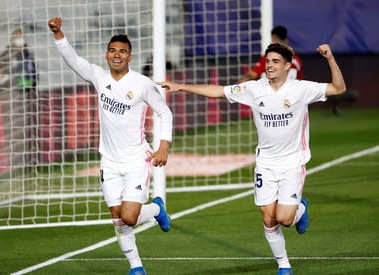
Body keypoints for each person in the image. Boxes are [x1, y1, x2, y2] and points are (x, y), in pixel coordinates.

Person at [158, 43, 346, 275]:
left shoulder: (301, 89)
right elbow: (218, 90)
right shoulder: (253, 89)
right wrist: (180, 86)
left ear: (288, 66)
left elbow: (338, 88)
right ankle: (284, 265)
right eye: (267, 61)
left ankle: (300, 210)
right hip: (265, 164)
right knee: (269, 218)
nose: (269, 65)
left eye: (275, 62)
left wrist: (330, 58)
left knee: (285, 219)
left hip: (292, 163)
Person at [48, 17, 173, 275]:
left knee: (129, 216)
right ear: (107, 54)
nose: (117, 55)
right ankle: (136, 267)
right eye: (113, 50)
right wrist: (59, 34)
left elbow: (165, 113)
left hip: (136, 160)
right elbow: (73, 60)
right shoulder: (99, 76)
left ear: (130, 57)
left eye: (123, 51)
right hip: (109, 161)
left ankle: (157, 208)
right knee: (118, 219)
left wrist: (163, 146)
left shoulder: (142, 84)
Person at [238, 26, 303, 83]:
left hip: (272, 93)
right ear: (286, 40)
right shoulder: (297, 60)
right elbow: (300, 81)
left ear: (273, 39)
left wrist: (234, 88)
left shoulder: (269, 58)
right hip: (292, 95)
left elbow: (251, 75)